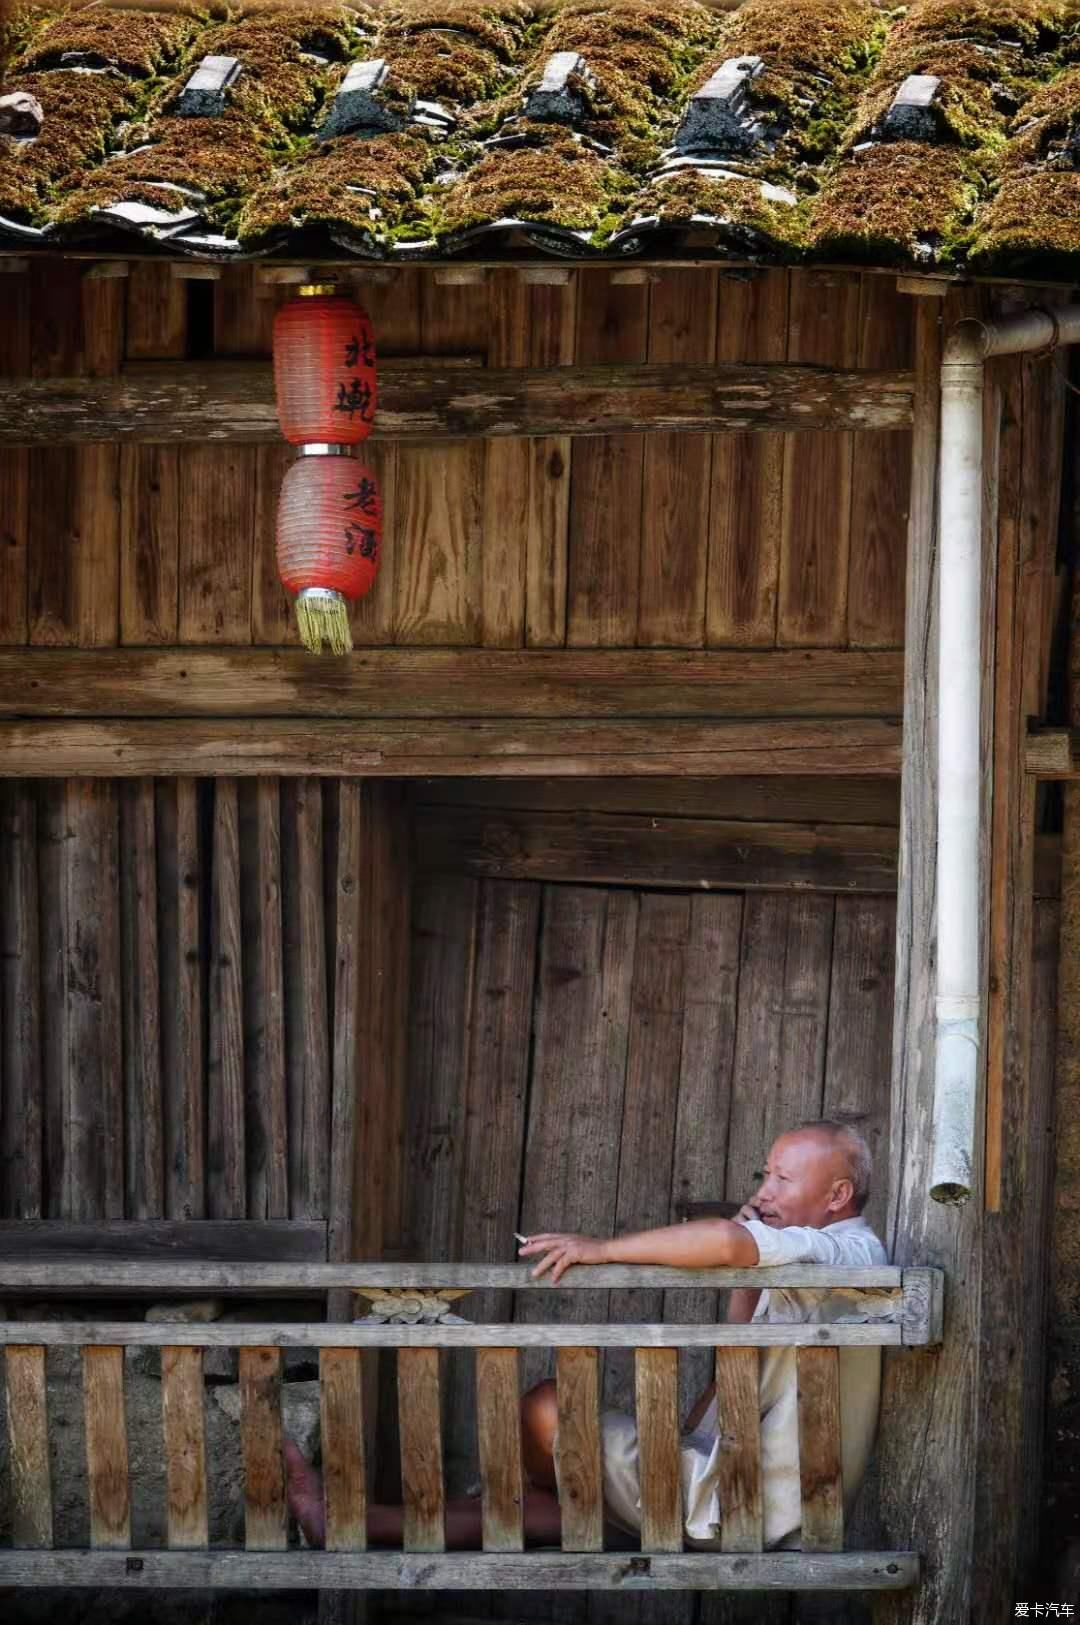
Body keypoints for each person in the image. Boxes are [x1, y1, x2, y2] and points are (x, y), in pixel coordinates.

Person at [285, 1118, 890, 1551]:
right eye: (765, 1175)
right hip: (745, 1499)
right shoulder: (815, 1266)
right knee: (555, 1499)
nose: (763, 1192)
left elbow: (730, 1240)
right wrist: (744, 1280)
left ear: (838, 1195)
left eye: (782, 1179)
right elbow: (735, 1356)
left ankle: (544, 1492)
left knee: (547, 1409)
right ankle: (349, 1522)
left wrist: (599, 1250)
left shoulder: (847, 1251)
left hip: (735, 1506)